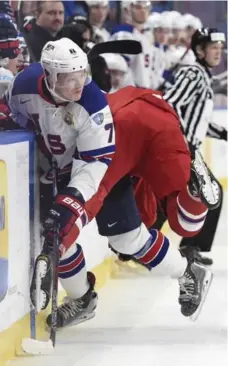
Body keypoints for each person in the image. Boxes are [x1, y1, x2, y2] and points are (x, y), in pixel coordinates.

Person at [5, 37, 115, 326]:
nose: (79, 84)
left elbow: (96, 163)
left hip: (88, 171)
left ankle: (82, 298)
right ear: (50, 77)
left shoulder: (93, 104)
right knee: (50, 235)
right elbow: (16, 121)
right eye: (69, 79)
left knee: (63, 232)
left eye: (82, 75)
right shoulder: (23, 86)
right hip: (47, 167)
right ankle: (82, 299)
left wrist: (71, 199)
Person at [161, 28, 227, 264]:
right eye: (213, 49)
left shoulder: (202, 75)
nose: (218, 53)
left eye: (220, 49)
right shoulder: (193, 73)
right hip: (180, 150)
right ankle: (189, 247)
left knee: (170, 198)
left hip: (187, 149)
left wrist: (225, 133)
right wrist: (181, 141)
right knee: (210, 194)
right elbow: (169, 104)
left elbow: (198, 121)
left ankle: (136, 248)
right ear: (200, 50)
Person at [110, 1, 154, 88]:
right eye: (138, 7)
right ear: (127, 10)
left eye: (146, 8)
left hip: (142, 91)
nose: (143, 11)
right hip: (128, 93)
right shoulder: (124, 34)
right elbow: (119, 70)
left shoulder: (144, 35)